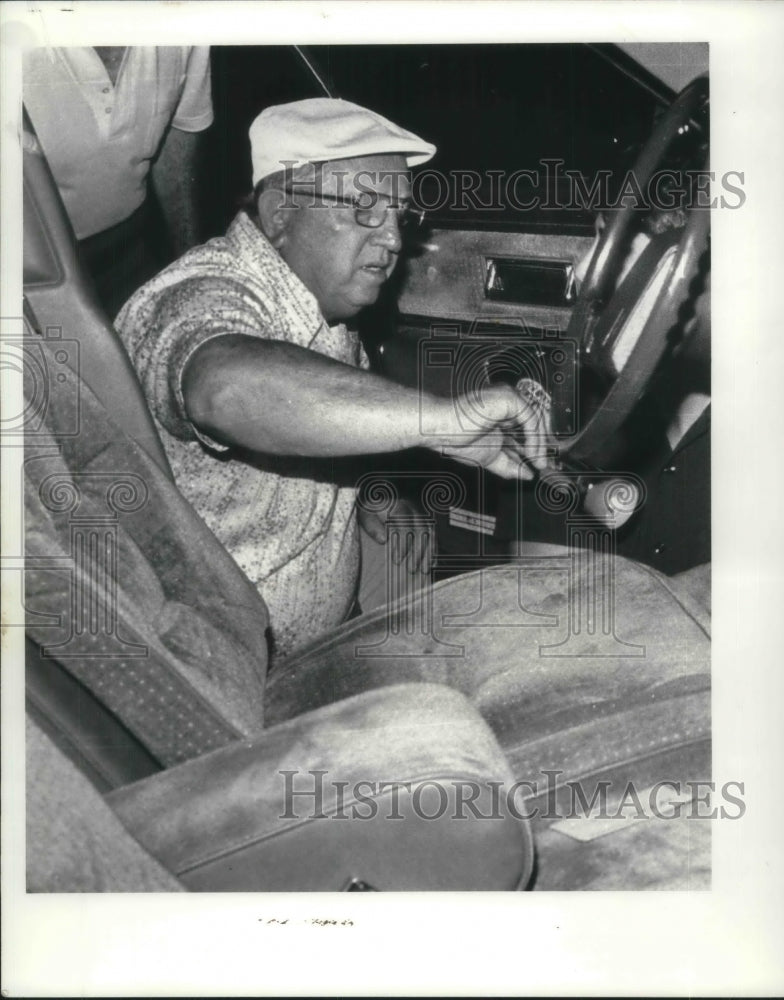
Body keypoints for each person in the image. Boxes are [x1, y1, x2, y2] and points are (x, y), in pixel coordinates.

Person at [116, 98, 551, 661]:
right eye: (366, 209)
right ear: (279, 214)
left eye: (399, 216)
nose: (393, 239)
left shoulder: (326, 308)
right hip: (231, 657)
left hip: (330, 585)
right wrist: (439, 423)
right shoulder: (198, 294)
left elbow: (321, 416)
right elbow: (225, 385)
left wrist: (374, 493)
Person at [23, 46, 213, 316]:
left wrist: (190, 265)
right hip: (30, 271)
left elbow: (177, 147)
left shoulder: (184, 16)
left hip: (131, 252)